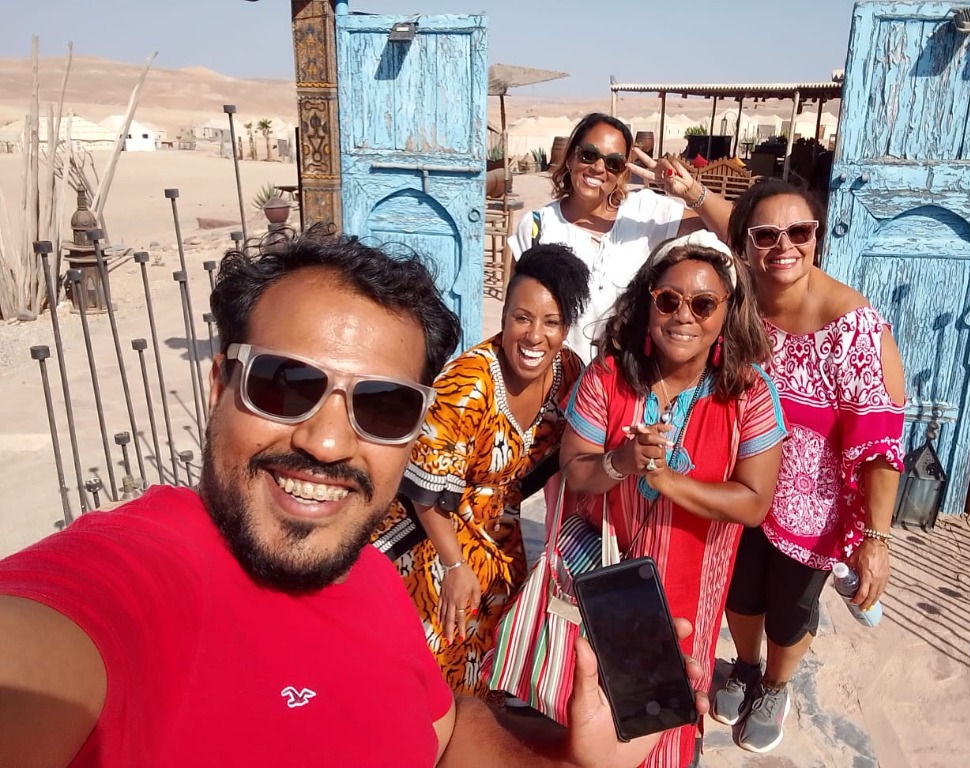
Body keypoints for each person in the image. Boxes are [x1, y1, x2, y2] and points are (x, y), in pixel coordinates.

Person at [0, 229, 710, 767]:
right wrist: (455, 558)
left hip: (496, 555)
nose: (330, 440)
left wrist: (573, 761)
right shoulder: (135, 582)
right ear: (220, 386)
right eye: (285, 385)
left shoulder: (368, 580)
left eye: (384, 407)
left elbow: (441, 731)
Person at [559, 231, 789, 767]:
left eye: (704, 304)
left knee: (672, 714)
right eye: (669, 300)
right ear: (648, 303)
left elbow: (754, 503)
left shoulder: (749, 394)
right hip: (605, 584)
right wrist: (621, 462)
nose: (684, 315)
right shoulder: (609, 378)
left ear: (727, 313)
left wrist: (666, 481)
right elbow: (575, 472)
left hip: (692, 592)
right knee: (596, 707)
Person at [709, 180, 906, 754]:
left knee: (789, 610)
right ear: (745, 245)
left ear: (817, 235)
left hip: (813, 505)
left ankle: (775, 684)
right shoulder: (738, 301)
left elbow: (879, 441)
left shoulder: (852, 326)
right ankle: (745, 668)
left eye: (800, 231)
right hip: (740, 483)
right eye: (766, 235)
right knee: (739, 593)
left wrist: (875, 537)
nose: (784, 246)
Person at [380, 243, 589, 697]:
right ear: (504, 315)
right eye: (522, 318)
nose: (535, 337)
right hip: (436, 531)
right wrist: (454, 564)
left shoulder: (568, 371)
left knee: (499, 649)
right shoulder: (468, 384)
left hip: (500, 528)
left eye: (551, 323)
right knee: (442, 647)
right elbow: (424, 493)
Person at [509, 112, 708, 361]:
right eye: (589, 155)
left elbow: (735, 229)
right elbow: (514, 316)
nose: (599, 168)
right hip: (554, 388)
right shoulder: (538, 227)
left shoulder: (645, 213)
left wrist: (691, 192)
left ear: (623, 173)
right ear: (570, 157)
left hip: (624, 388)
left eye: (613, 162)